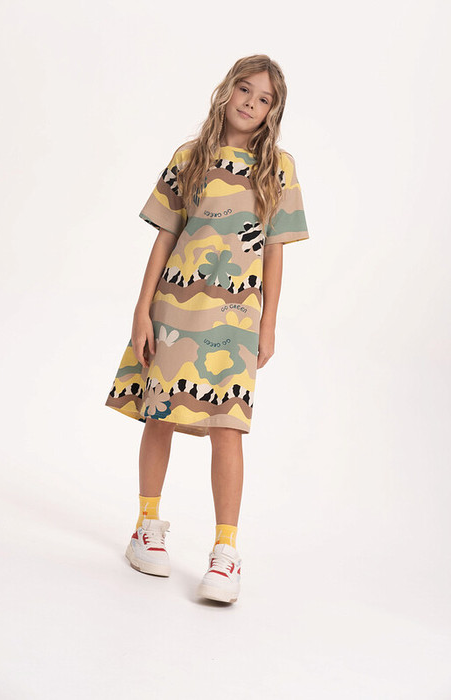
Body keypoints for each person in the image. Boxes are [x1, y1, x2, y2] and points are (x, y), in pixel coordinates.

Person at [105, 54, 309, 604]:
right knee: (160, 414)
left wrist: (269, 322)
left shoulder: (278, 168)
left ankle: (226, 552)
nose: (251, 103)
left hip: (237, 319)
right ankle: (146, 526)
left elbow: (274, 250)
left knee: (228, 425)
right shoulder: (189, 157)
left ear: (272, 111)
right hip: (174, 308)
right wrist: (141, 310)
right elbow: (165, 237)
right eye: (245, 89)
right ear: (227, 90)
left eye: (264, 99)